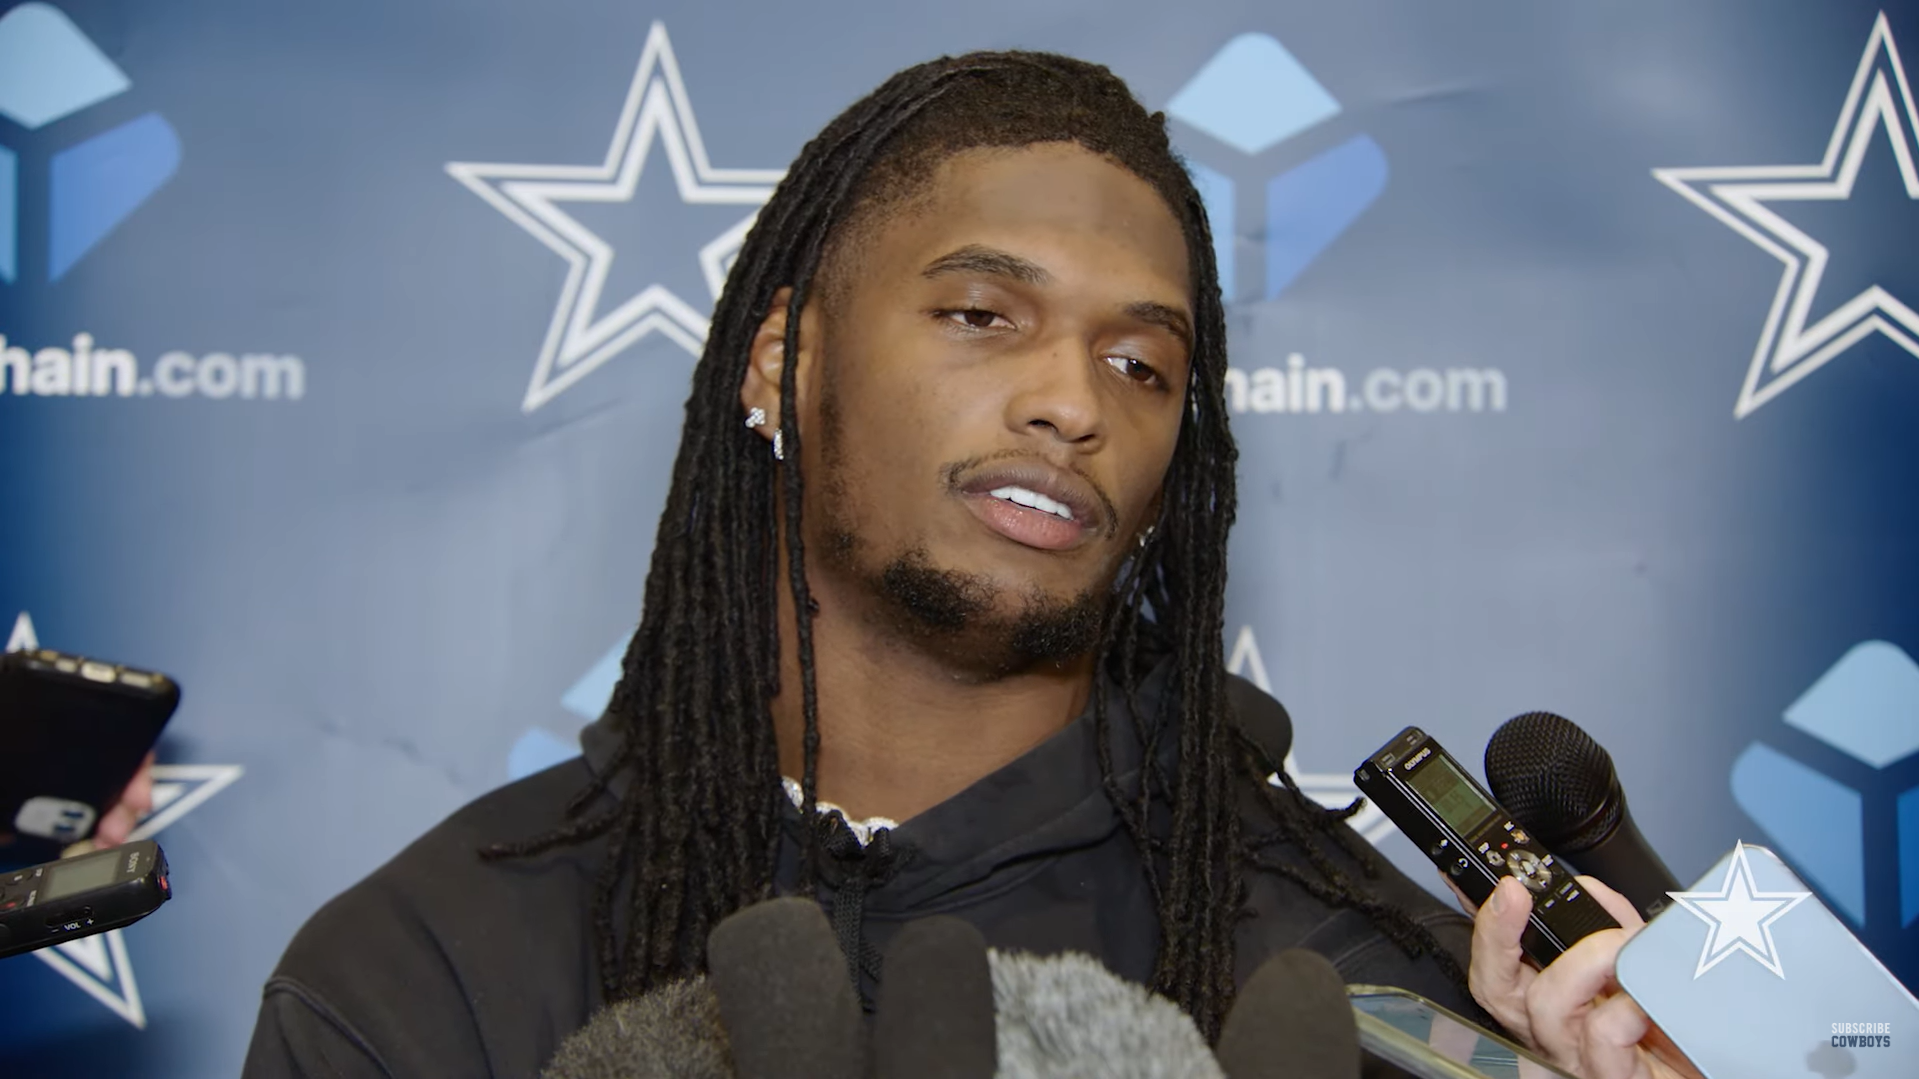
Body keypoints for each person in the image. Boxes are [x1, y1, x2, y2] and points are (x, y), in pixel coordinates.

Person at [243, 51, 1694, 1079]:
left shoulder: (1351, 974)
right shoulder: (432, 962)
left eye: (1142, 362)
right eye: (982, 314)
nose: (1076, 401)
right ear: (782, 359)